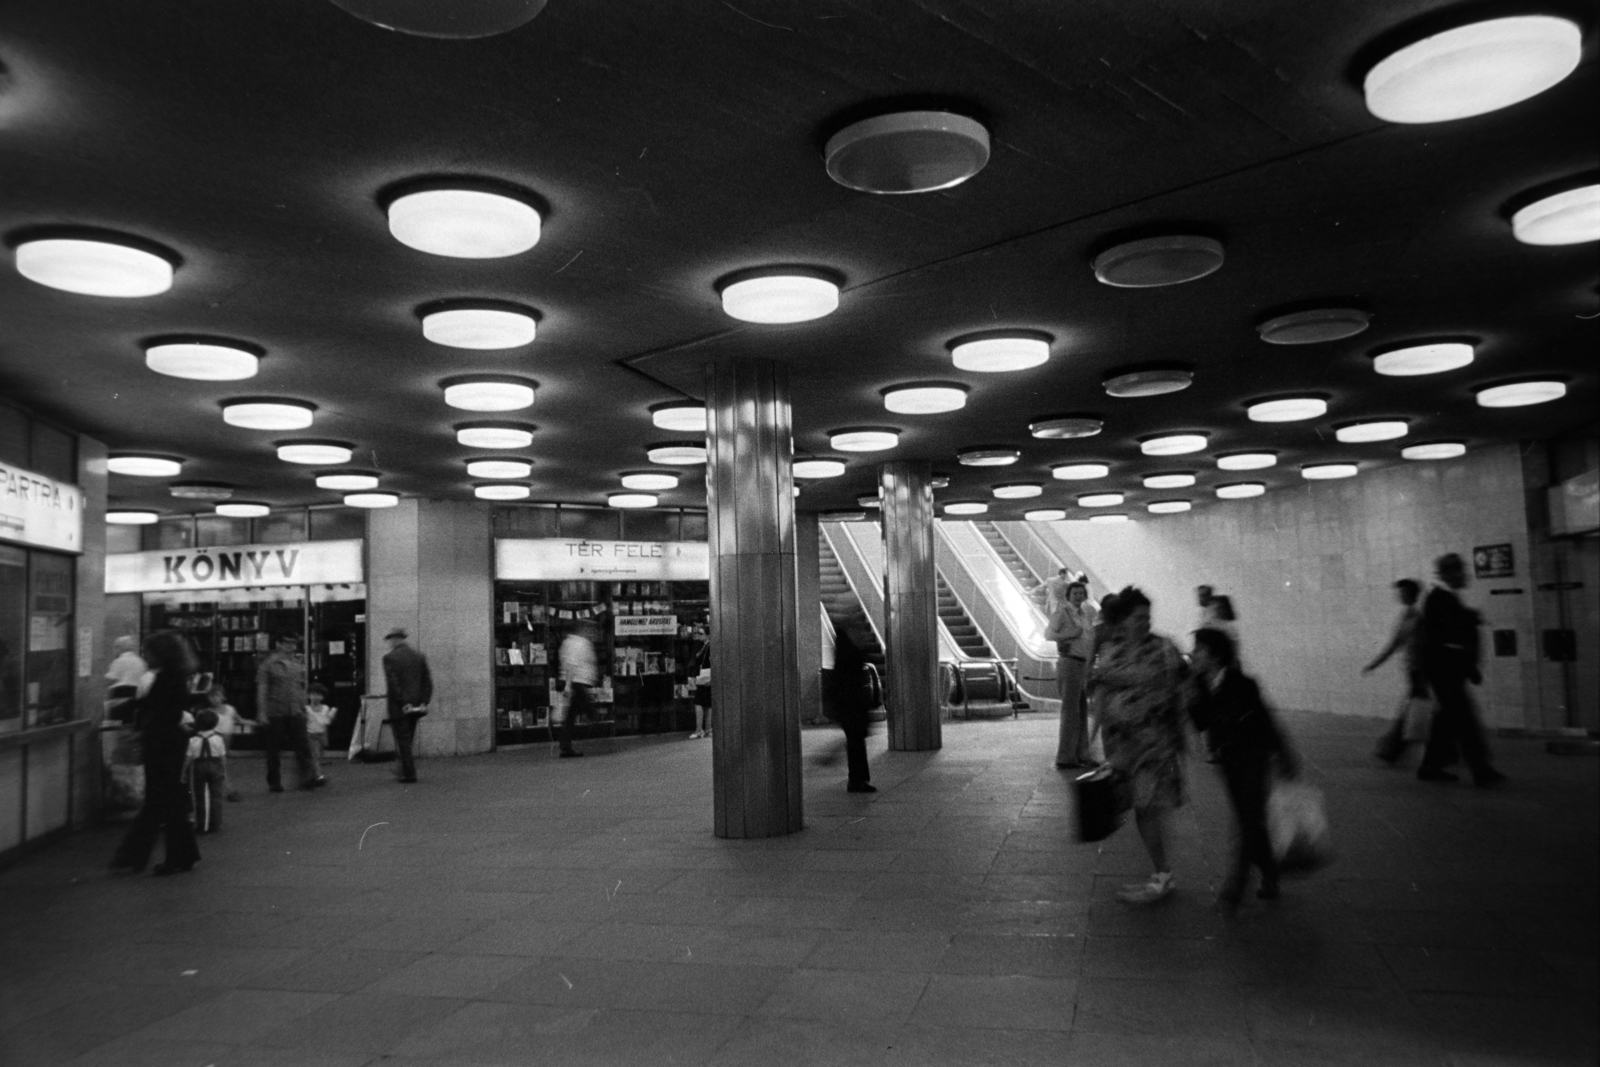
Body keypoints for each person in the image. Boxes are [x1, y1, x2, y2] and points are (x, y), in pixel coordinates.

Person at [1089, 586, 1189, 904]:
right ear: (1124, 620)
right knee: (1136, 810)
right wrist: (1093, 738)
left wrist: (1185, 736)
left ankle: (1163, 877)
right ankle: (1161, 874)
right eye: (1138, 617)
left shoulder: (1163, 649)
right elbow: (1102, 691)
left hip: (1154, 747)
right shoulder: (1112, 649)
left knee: (1146, 809)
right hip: (1122, 747)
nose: (1144, 623)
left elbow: (1181, 689)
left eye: (1148, 617)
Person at [1188, 628, 1298, 906]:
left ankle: (1235, 886)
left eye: (1198, 649)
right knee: (1250, 821)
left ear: (1214, 654)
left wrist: (1284, 756)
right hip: (1227, 762)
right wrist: (1191, 699)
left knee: (1247, 821)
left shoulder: (1243, 683)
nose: (1193, 653)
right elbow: (1201, 723)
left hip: (1253, 757)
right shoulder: (1200, 684)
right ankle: (1270, 871)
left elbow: (1265, 721)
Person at [110, 631, 202, 876]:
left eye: (147, 651)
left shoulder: (165, 678)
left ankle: (135, 856)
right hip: (172, 743)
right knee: (169, 801)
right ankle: (181, 855)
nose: (144, 655)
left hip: (161, 745)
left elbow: (155, 707)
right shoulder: (176, 676)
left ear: (160, 653)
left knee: (158, 801)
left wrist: (124, 708)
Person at [1416, 554, 1505, 788]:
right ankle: (1481, 769)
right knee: (1465, 722)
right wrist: (1469, 619)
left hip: (1447, 671)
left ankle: (1430, 765)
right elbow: (1443, 635)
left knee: (1445, 721)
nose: (1464, 576)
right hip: (1446, 672)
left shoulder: (1446, 598)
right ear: (1447, 573)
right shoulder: (1439, 599)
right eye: (1460, 571)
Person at [1366, 579, 1428, 764]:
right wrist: (1375, 663)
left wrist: (1375, 664)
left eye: (1403, 592)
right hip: (1415, 671)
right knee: (1417, 710)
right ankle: (1445, 750)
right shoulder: (1407, 617)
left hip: (1420, 671)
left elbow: (1397, 644)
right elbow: (1395, 644)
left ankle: (1392, 749)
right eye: (1400, 592)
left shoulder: (1416, 619)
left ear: (1412, 594)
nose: (1400, 595)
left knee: (1412, 711)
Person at [257, 632, 321, 792]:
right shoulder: (267, 665)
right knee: (273, 749)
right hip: (275, 711)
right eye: (287, 643)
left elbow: (299, 688)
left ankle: (308, 778)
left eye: (293, 644)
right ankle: (274, 782)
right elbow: (262, 690)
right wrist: (262, 712)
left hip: (295, 711)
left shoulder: (297, 663)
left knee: (303, 746)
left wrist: (303, 707)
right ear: (278, 644)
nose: (292, 647)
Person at [1045, 581, 1096, 769]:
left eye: (1081, 593)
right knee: (1071, 711)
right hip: (1070, 663)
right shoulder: (1062, 612)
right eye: (1075, 593)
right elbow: (1048, 633)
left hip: (1082, 664)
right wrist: (1069, 634)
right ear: (1068, 595)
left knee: (1081, 711)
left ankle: (1081, 753)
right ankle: (1066, 756)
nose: (1078, 596)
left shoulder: (1083, 613)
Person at [826, 627, 876, 793]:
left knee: (856, 740)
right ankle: (857, 780)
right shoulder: (847, 648)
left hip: (851, 703)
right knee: (855, 741)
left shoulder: (846, 646)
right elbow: (850, 674)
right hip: (851, 703)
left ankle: (859, 779)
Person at [382, 628, 433, 781]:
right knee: (408, 738)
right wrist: (424, 701)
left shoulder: (389, 658)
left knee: (403, 740)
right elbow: (427, 681)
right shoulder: (419, 656)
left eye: (390, 640)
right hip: (417, 706)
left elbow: (394, 683)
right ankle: (403, 768)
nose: (390, 643)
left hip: (400, 707)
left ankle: (409, 773)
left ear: (395, 639)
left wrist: (404, 702)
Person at [556, 620, 598, 759]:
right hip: (576, 682)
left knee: (570, 715)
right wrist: (568, 685)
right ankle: (603, 734)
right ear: (582, 629)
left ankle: (565, 746)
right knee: (590, 711)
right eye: (589, 629)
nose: (592, 632)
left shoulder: (568, 642)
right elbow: (571, 665)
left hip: (574, 682)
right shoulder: (579, 643)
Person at [185, 708, 228, 834]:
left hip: (199, 766)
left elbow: (188, 758)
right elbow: (222, 757)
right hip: (215, 765)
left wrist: (183, 772)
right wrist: (224, 771)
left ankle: (203, 824)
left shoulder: (193, 740)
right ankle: (215, 823)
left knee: (200, 796)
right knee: (216, 796)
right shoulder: (218, 739)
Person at [205, 685, 246, 802]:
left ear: (223, 697)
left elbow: (240, 720)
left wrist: (256, 724)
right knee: (220, 766)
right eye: (211, 696)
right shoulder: (208, 713)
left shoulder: (230, 710)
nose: (214, 699)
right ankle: (230, 791)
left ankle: (218, 789)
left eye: (216, 695)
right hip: (215, 743)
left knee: (218, 766)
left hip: (225, 743)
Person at [105, 634, 146, 722]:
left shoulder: (119, 661)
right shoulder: (141, 661)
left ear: (120, 648)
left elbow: (110, 680)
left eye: (115, 647)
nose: (114, 650)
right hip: (136, 699)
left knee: (117, 727)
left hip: (120, 699)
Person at [304, 684, 335, 771]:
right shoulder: (306, 709)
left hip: (322, 734)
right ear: (308, 695)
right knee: (316, 756)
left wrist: (332, 714)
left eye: (319, 694)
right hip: (311, 735)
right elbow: (305, 722)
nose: (316, 697)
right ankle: (319, 775)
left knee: (320, 755)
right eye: (313, 694)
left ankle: (312, 771)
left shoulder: (325, 708)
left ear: (323, 697)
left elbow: (327, 721)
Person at [689, 633, 712, 739]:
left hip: (705, 678)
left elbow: (710, 662)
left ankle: (699, 729)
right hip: (705, 678)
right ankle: (708, 729)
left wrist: (711, 678)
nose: (699, 635)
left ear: (708, 635)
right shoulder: (703, 646)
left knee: (698, 702)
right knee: (707, 704)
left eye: (701, 634)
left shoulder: (708, 646)